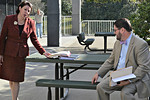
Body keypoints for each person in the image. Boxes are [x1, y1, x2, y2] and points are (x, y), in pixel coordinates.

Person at [0, 1, 51, 100]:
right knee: (11, 78)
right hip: (8, 53)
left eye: (28, 11)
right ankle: (15, 97)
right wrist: (0, 53)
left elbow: (34, 40)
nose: (26, 12)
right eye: (25, 9)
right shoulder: (9, 19)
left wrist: (43, 52)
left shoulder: (31, 23)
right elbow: (2, 38)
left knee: (16, 79)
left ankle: (15, 99)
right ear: (20, 8)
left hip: (21, 55)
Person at [92, 18, 150, 100]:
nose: (114, 32)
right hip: (118, 75)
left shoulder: (140, 44)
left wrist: (128, 80)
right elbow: (110, 61)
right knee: (100, 87)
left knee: (125, 93)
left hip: (135, 78)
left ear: (122, 30)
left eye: (115, 30)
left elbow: (144, 67)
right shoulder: (117, 43)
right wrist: (98, 73)